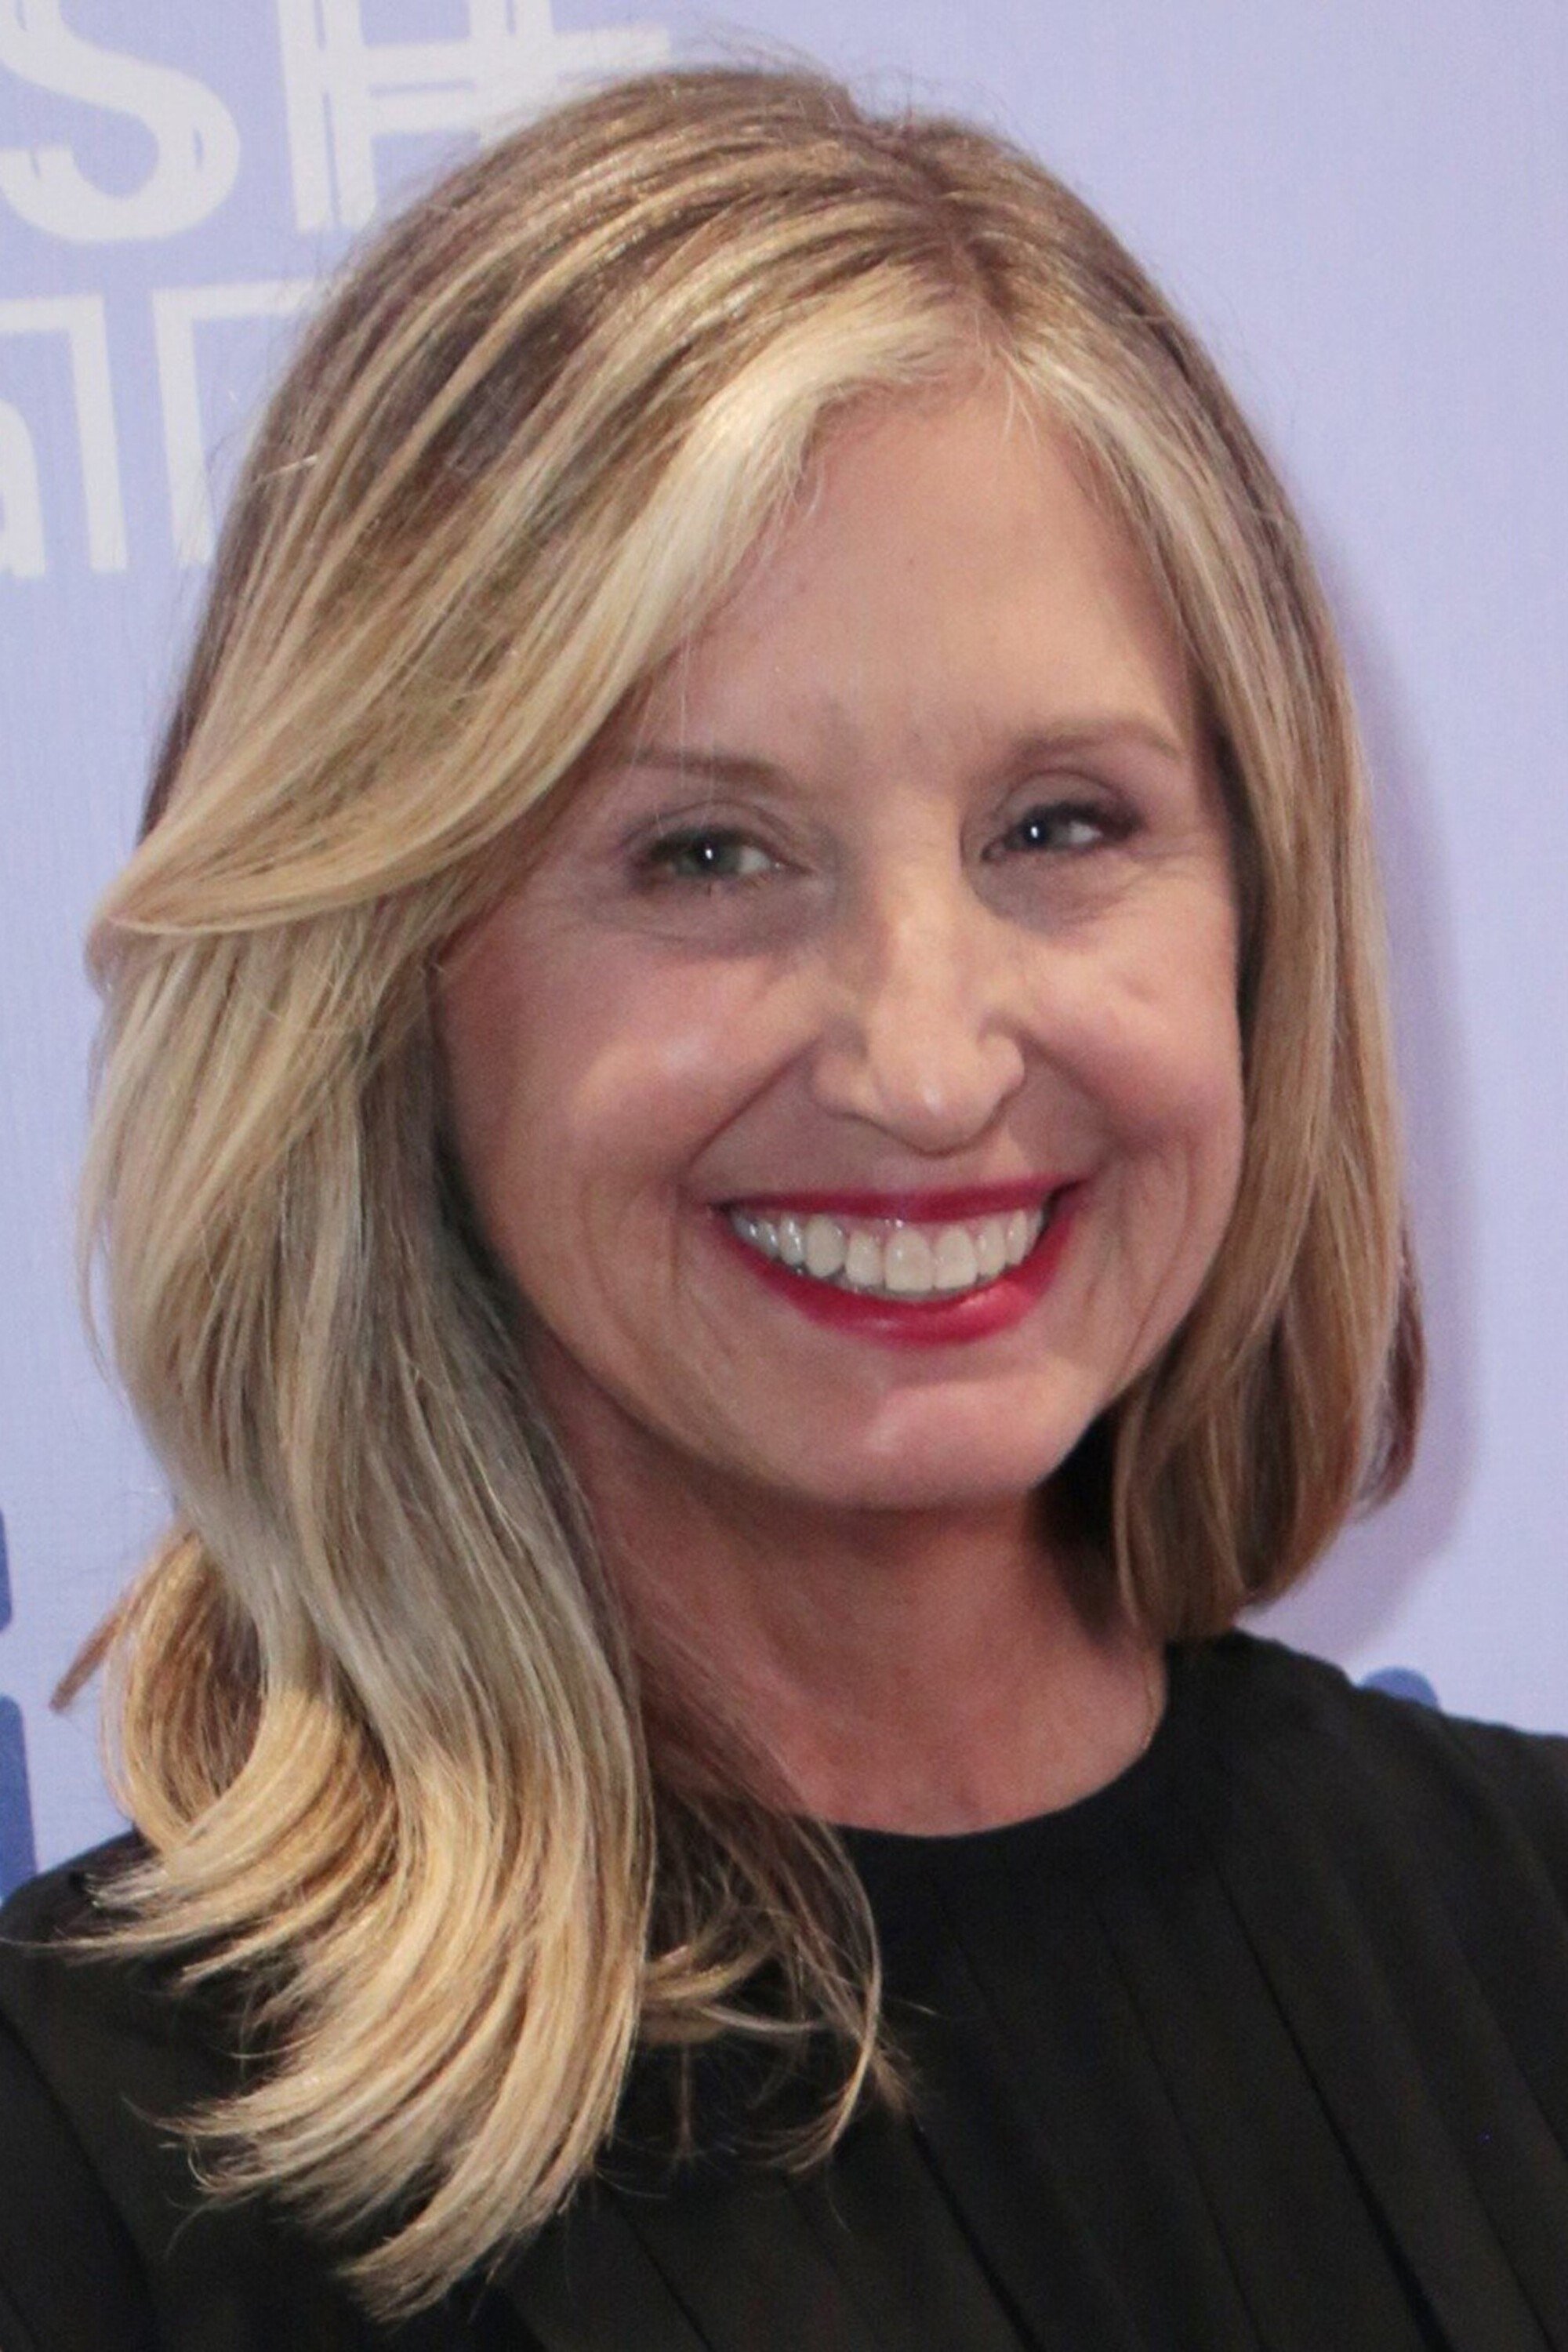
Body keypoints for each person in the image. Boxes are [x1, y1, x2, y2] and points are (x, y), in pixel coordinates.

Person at [1, 59, 1565, 2352]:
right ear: (385, 985)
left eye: (1060, 825)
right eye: (705, 854)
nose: (928, 1066)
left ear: (1260, 906)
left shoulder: (1526, 1927)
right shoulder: (86, 2169)